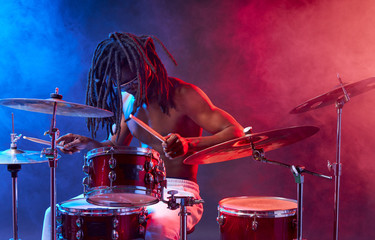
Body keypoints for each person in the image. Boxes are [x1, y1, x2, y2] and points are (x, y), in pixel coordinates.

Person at [42, 32, 244, 240]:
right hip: (139, 191)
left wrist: (189, 144)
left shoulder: (184, 95)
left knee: (157, 229)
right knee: (54, 214)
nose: (129, 88)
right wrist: (87, 143)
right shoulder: (128, 100)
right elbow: (114, 145)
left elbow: (236, 132)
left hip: (177, 191)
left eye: (133, 81)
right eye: (123, 85)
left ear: (147, 66)